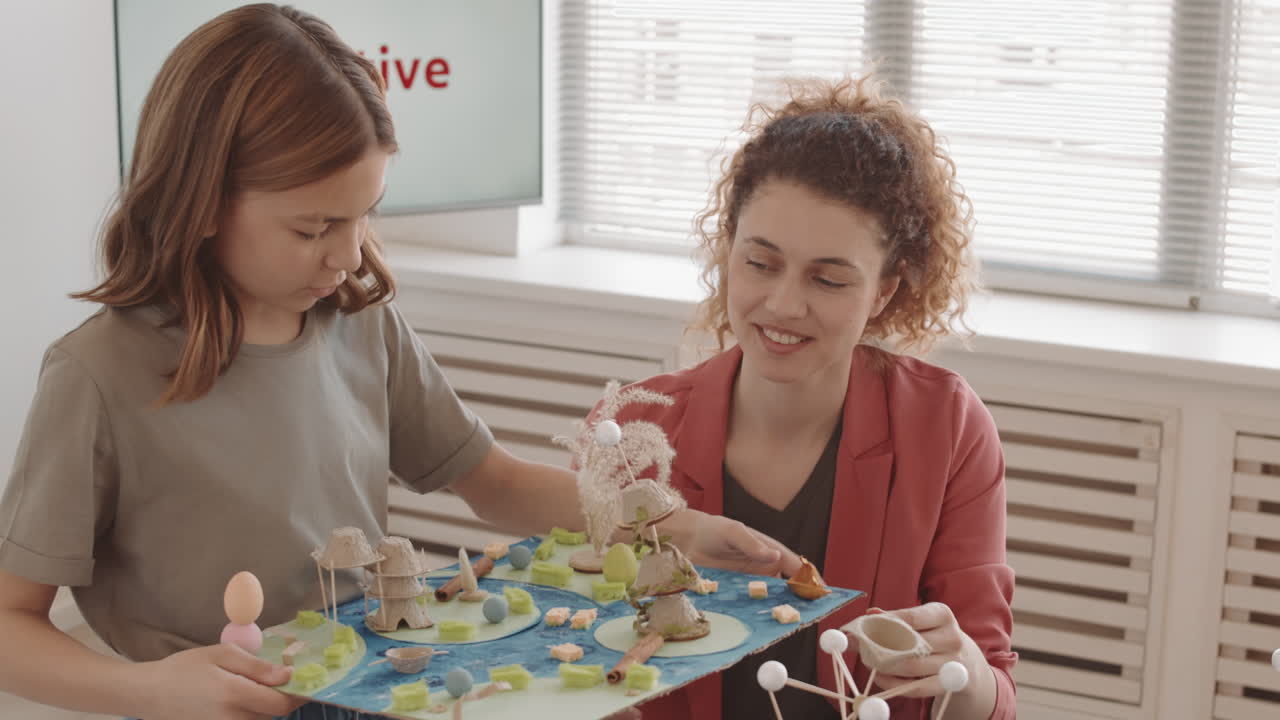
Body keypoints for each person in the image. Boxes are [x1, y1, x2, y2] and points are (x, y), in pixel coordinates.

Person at [0, 5, 797, 719]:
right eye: (313, 228)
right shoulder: (97, 375)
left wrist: (673, 528)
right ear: (204, 201)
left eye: (364, 216)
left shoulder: (360, 324)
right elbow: (10, 625)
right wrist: (148, 689)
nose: (347, 257)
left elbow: (496, 483)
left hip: (367, 682)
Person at [593, 75, 1017, 720]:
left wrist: (961, 670)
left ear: (883, 292)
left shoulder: (946, 425)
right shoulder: (633, 429)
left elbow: (994, 703)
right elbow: (577, 658)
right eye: (760, 263)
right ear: (727, 247)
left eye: (828, 278)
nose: (784, 304)